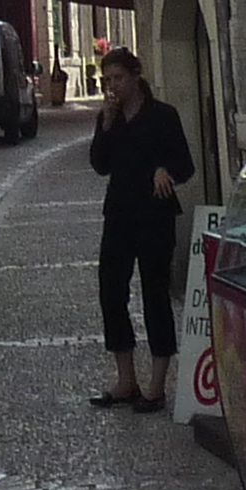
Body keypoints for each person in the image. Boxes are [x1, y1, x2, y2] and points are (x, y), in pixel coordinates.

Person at [87, 42, 196, 410]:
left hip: (154, 215)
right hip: (118, 214)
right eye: (107, 79)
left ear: (135, 77)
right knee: (111, 293)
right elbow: (100, 165)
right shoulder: (111, 118)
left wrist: (165, 169)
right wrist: (104, 123)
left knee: (155, 296)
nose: (112, 85)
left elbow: (185, 163)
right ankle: (125, 379)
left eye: (118, 77)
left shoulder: (162, 116)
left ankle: (156, 384)